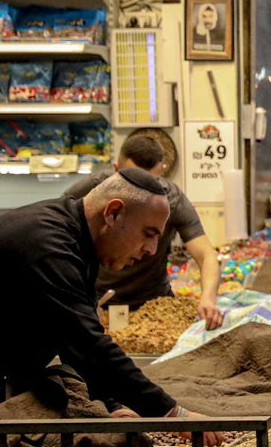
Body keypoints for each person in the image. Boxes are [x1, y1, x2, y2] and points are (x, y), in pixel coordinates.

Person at [0, 169, 207, 424]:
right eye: (148, 234)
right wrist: (172, 414)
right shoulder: (47, 246)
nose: (151, 250)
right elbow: (89, 345)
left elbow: (75, 340)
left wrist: (112, 404)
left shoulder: (75, 238)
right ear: (113, 213)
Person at [67, 135, 224, 330]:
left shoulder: (172, 200)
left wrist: (208, 298)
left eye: (152, 182)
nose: (143, 193)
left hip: (153, 307)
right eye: (132, 181)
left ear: (162, 173)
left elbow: (206, 254)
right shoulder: (90, 192)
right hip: (96, 304)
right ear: (116, 170)